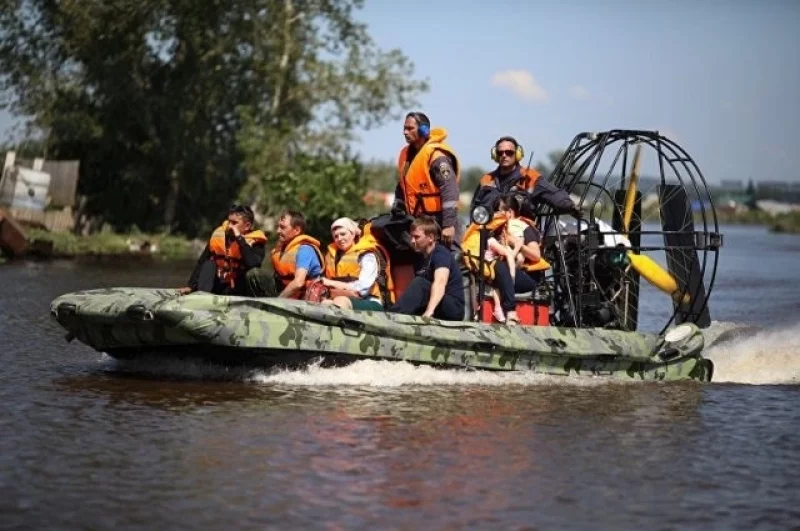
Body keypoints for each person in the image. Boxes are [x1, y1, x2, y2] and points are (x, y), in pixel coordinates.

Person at [392, 111, 462, 248]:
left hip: (440, 220)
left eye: (410, 128)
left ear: (424, 130)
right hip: (419, 222)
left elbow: (450, 190)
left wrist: (448, 225)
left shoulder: (436, 156)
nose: (405, 132)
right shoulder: (406, 156)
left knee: (453, 259)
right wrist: (398, 207)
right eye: (404, 129)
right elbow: (404, 186)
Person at [470, 136, 579, 218]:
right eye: (500, 153)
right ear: (495, 155)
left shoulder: (530, 177)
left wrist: (569, 206)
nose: (504, 155)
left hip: (521, 233)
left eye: (509, 152)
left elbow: (553, 193)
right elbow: (475, 208)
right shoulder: (486, 180)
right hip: (490, 231)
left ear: (517, 154)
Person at [388, 215, 464, 320]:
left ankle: (392, 318)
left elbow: (440, 282)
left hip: (453, 308)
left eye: (417, 237)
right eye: (412, 237)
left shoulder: (441, 254)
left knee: (419, 283)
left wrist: (429, 312)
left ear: (431, 238)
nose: (413, 241)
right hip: (433, 303)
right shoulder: (419, 259)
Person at [181, 204, 268, 296]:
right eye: (229, 221)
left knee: (252, 273)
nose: (230, 226)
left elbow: (253, 263)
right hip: (219, 284)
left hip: (239, 288)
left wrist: (239, 239)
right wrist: (190, 285)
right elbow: (202, 261)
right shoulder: (219, 236)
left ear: (247, 226)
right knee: (208, 264)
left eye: (234, 223)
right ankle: (202, 296)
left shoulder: (257, 242)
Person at [319, 217, 394, 311]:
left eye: (343, 234)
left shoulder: (367, 255)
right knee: (325, 303)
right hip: (342, 298)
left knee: (341, 301)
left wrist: (333, 283)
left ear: (353, 234)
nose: (339, 239)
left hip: (371, 301)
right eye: (336, 236)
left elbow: (363, 289)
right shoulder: (331, 256)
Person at [268, 209, 324, 299]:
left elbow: (298, 282)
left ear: (296, 230)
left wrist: (277, 300)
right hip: (286, 294)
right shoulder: (279, 249)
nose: (278, 231)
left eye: (283, 227)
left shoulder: (305, 250)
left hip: (304, 298)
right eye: (278, 227)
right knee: (256, 275)